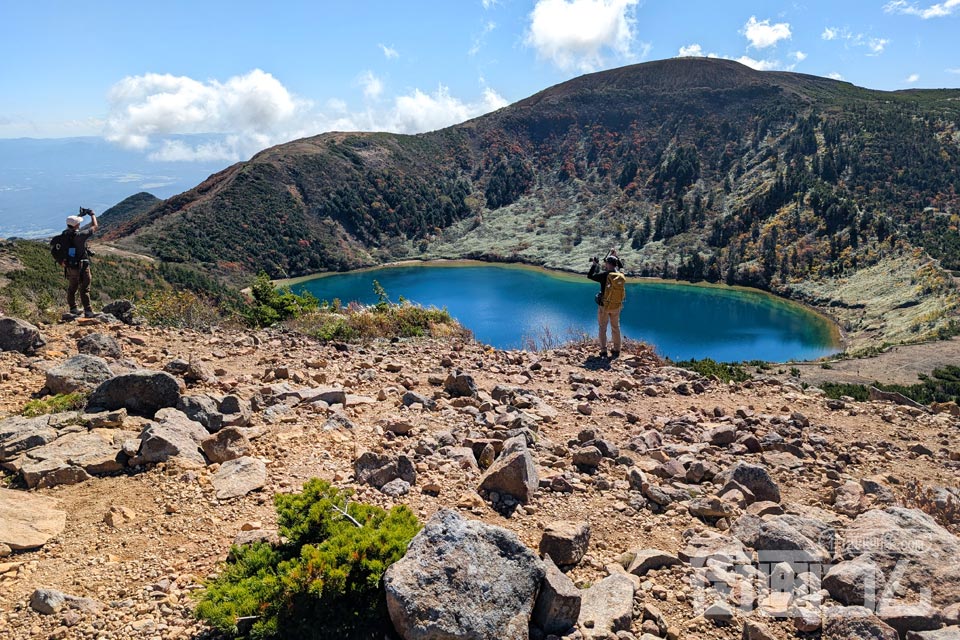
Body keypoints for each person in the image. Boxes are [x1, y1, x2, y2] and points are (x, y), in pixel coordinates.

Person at [57, 208, 99, 318]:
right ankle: (88, 311)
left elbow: (71, 224)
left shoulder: (64, 235)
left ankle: (73, 309)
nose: (80, 224)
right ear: (76, 225)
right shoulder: (80, 236)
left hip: (70, 267)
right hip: (82, 266)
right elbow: (95, 226)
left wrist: (79, 216)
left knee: (72, 288)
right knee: (84, 288)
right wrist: (92, 214)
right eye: (79, 223)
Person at [588, 248, 626, 359]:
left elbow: (590, 276)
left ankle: (603, 351)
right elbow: (621, 267)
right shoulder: (621, 275)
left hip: (604, 306)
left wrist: (594, 265)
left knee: (602, 328)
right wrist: (616, 257)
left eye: (606, 263)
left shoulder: (605, 275)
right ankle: (616, 349)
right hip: (616, 306)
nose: (605, 265)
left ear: (608, 264)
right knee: (615, 327)